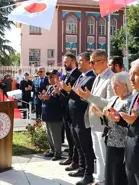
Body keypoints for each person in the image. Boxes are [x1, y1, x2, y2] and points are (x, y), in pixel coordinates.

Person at [74, 50, 114, 184]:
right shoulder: (98, 77)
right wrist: (85, 96)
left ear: (102, 61)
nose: (91, 65)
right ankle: (99, 179)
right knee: (98, 155)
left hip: (104, 123)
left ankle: (105, 181)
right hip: (93, 122)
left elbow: (110, 103)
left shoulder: (111, 78)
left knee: (104, 155)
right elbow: (94, 99)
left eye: (92, 62)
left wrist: (89, 97)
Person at [91, 71, 132, 185]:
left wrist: (116, 119)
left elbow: (128, 123)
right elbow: (109, 118)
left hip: (122, 143)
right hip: (110, 140)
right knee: (110, 172)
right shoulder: (114, 99)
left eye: (117, 85)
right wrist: (101, 113)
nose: (114, 88)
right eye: (113, 85)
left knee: (119, 174)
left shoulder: (129, 101)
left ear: (126, 85)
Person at [62, 52, 95, 184]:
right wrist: (68, 90)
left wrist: (70, 91)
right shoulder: (82, 76)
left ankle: (88, 174)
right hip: (74, 117)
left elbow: (84, 96)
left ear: (88, 62)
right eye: (79, 61)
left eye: (81, 61)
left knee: (86, 147)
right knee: (79, 145)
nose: (79, 63)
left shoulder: (92, 77)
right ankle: (81, 168)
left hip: (82, 117)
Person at [58, 53, 82, 169]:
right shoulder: (66, 75)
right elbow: (65, 91)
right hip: (65, 110)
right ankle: (70, 156)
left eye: (66, 61)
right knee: (69, 136)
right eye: (64, 61)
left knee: (75, 138)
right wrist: (60, 91)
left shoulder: (78, 75)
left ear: (73, 62)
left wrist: (67, 91)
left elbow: (76, 93)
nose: (64, 64)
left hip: (74, 110)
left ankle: (76, 161)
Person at [40, 69, 64, 161]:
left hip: (55, 116)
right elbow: (48, 98)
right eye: (48, 77)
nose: (49, 78)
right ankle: (52, 150)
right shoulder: (50, 87)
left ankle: (58, 153)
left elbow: (60, 101)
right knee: (49, 135)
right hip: (48, 115)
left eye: (51, 76)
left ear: (57, 77)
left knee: (56, 136)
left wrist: (49, 98)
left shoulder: (60, 87)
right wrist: (43, 97)